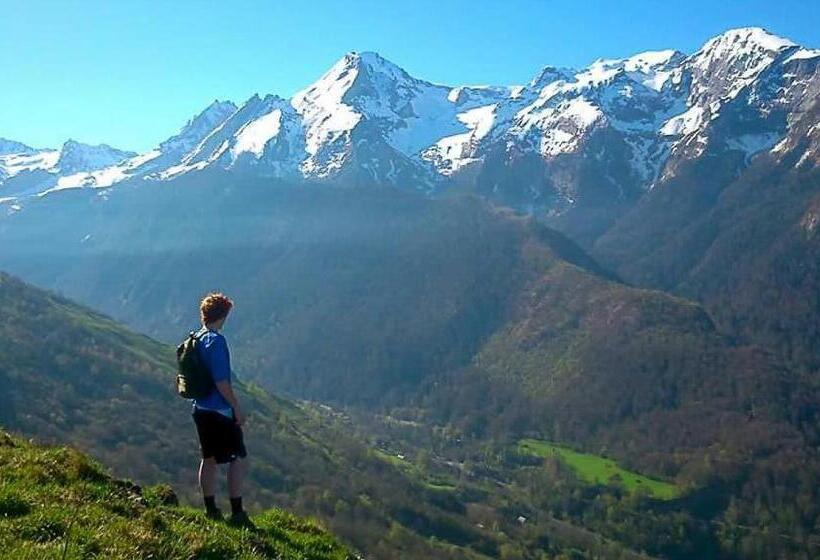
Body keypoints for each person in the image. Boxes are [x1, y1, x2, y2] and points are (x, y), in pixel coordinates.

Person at [190, 292, 252, 527]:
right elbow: (222, 382)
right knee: (238, 458)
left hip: (200, 408)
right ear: (222, 315)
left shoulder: (196, 339)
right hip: (220, 410)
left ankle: (210, 508)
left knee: (209, 458)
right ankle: (237, 511)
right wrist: (236, 406)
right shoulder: (217, 342)